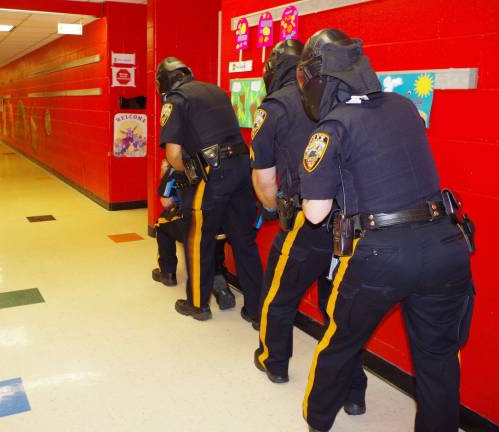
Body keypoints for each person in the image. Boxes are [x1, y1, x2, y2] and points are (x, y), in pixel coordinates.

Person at [296, 29, 475, 432]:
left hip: (381, 254)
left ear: (319, 79)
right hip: (446, 243)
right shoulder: (404, 106)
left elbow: (315, 214)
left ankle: (318, 420)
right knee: (439, 357)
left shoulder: (330, 129)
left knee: (341, 342)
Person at [249, 38, 368, 413]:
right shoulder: (344, 101)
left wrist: (276, 209)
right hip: (349, 223)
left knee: (279, 294)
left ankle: (275, 362)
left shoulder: (272, 108)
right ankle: (353, 392)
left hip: (307, 220)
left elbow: (266, 182)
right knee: (340, 310)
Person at [156, 57, 263, 325]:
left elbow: (173, 154)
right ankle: (256, 309)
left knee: (198, 238)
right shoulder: (216, 90)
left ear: (165, 83)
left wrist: (188, 173)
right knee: (244, 241)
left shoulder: (176, 99)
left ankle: (198, 305)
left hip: (213, 172)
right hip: (242, 168)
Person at [153, 161, 236, 310]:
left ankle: (167, 272)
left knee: (161, 224)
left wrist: (165, 175)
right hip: (223, 226)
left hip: (196, 224)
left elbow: (166, 202)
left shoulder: (176, 167)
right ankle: (218, 279)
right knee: (214, 245)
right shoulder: (219, 163)